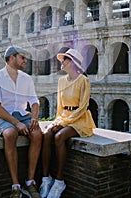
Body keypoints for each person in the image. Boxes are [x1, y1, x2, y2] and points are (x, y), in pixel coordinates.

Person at [39, 48, 96, 198]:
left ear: (72, 62)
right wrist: (58, 121)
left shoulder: (83, 80)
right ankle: (46, 178)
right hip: (64, 116)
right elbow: (60, 106)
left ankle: (59, 180)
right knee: (47, 135)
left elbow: (83, 106)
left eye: (64, 59)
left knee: (59, 137)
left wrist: (64, 123)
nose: (61, 62)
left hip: (80, 119)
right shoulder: (61, 81)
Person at [0, 46, 42, 198]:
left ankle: (30, 181)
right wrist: (16, 123)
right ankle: (15, 185)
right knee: (10, 134)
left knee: (38, 134)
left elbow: (34, 101)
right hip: (2, 116)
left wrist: (34, 118)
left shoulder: (27, 79)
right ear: (12, 58)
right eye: (22, 57)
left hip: (23, 114)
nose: (25, 60)